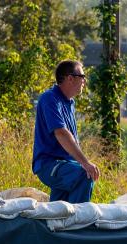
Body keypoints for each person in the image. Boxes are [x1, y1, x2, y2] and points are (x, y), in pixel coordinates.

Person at [33, 60, 99, 203]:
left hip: (65, 165)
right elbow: (61, 133)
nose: (84, 80)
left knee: (59, 207)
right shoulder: (50, 98)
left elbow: (71, 140)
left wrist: (81, 162)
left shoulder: (69, 102)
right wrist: (85, 163)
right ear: (70, 78)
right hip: (48, 164)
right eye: (82, 76)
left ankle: (56, 223)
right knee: (84, 175)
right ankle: (78, 223)